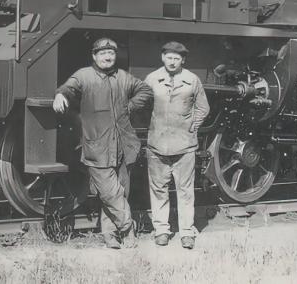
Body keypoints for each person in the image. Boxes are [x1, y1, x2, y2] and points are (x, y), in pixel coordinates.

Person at [53, 37, 151, 249]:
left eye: (111, 53)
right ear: (94, 56)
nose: (108, 57)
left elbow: (145, 90)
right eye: (103, 53)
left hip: (124, 145)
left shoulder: (123, 77)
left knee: (120, 193)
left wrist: (131, 106)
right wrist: (60, 95)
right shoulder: (84, 76)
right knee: (110, 193)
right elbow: (69, 87)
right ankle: (128, 230)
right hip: (97, 147)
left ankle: (109, 234)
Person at [130, 41, 209, 250]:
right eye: (169, 57)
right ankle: (162, 231)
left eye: (176, 58)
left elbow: (203, 108)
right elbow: (141, 104)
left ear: (183, 60)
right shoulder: (152, 79)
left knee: (185, 191)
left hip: (184, 146)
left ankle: (187, 233)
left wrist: (193, 126)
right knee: (158, 189)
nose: (172, 62)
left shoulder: (192, 80)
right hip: (157, 145)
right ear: (162, 58)